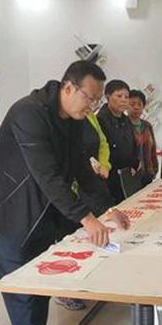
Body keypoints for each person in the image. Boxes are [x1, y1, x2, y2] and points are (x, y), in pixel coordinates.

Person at [0, 61, 130, 325]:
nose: (93, 107)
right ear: (68, 87)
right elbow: (48, 176)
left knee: (40, 284)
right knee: (21, 291)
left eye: (97, 101)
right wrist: (87, 218)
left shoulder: (73, 120)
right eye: (90, 98)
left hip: (43, 214)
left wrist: (108, 207)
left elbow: (82, 170)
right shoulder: (28, 113)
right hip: (9, 215)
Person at [52, 111, 113, 313]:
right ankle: (65, 290)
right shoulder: (58, 119)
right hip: (66, 193)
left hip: (87, 184)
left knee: (87, 238)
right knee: (68, 240)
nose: (91, 104)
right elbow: (53, 175)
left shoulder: (89, 117)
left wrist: (103, 165)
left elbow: (101, 144)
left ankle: (85, 283)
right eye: (89, 98)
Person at [96, 80, 139, 203]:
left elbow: (133, 144)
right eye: (119, 96)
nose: (124, 100)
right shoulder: (101, 119)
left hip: (127, 176)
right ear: (108, 96)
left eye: (126, 97)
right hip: (109, 177)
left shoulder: (126, 120)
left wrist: (134, 164)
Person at [128, 90, 158, 187]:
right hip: (130, 175)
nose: (136, 107)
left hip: (147, 174)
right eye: (132, 104)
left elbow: (153, 148)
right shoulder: (123, 125)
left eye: (139, 104)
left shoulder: (147, 125)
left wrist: (154, 169)